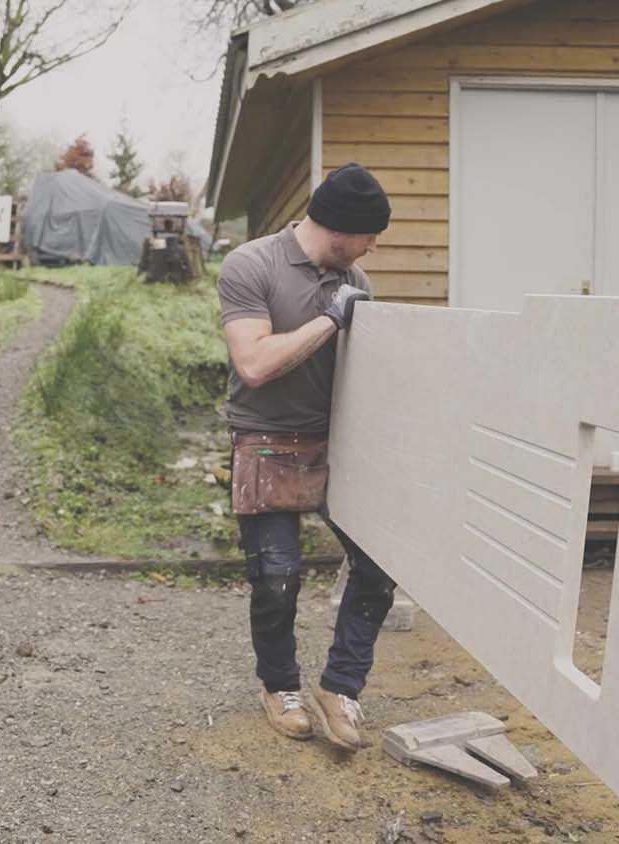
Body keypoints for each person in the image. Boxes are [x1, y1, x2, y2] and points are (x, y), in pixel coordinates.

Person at [217, 163, 399, 751]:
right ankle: (280, 687)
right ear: (343, 229)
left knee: (378, 566)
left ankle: (341, 686)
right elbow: (255, 364)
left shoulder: (357, 282)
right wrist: (329, 318)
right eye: (370, 236)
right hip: (266, 437)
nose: (372, 248)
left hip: (335, 442)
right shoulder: (252, 265)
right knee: (276, 578)